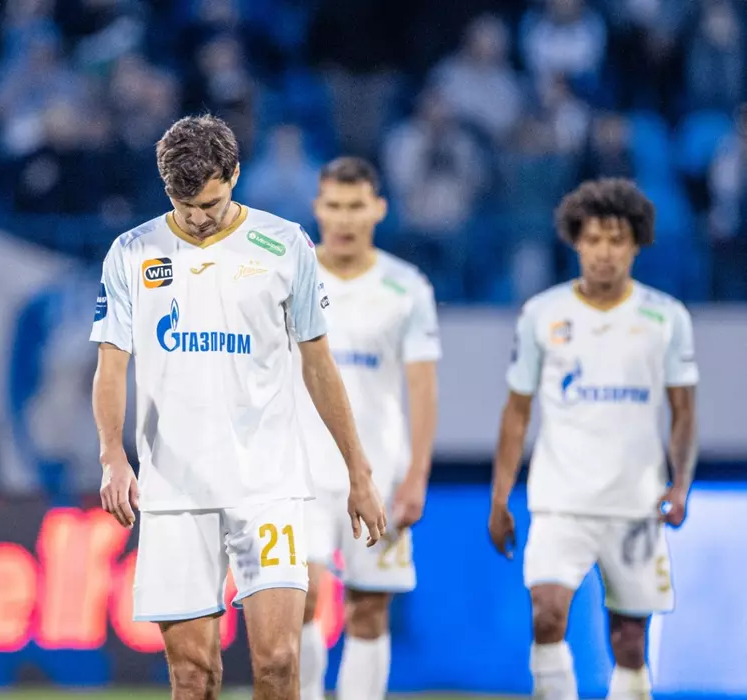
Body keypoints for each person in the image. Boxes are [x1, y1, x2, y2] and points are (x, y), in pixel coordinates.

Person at [91, 114, 388, 700]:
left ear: (234, 175)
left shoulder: (285, 244)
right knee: (193, 677)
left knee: (278, 663)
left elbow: (319, 365)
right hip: (174, 492)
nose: (198, 218)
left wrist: (358, 470)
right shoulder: (131, 252)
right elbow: (111, 364)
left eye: (210, 202)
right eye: (183, 205)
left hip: (266, 485)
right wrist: (111, 456)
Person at [488, 178, 699, 700]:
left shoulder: (666, 317)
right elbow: (516, 412)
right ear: (576, 242)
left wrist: (680, 486)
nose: (605, 252)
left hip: (635, 504)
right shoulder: (542, 314)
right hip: (560, 501)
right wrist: (500, 495)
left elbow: (684, 413)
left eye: (617, 240)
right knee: (547, 613)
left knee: (629, 642)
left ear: (636, 244)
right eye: (594, 239)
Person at [295, 157, 441, 700]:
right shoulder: (290, 275)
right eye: (334, 205)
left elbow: (422, 387)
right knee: (299, 597)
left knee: (369, 607)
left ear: (378, 209)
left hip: (378, 474)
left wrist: (416, 476)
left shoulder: (407, 287)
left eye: (355, 206)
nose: (344, 218)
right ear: (318, 208)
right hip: (299, 471)